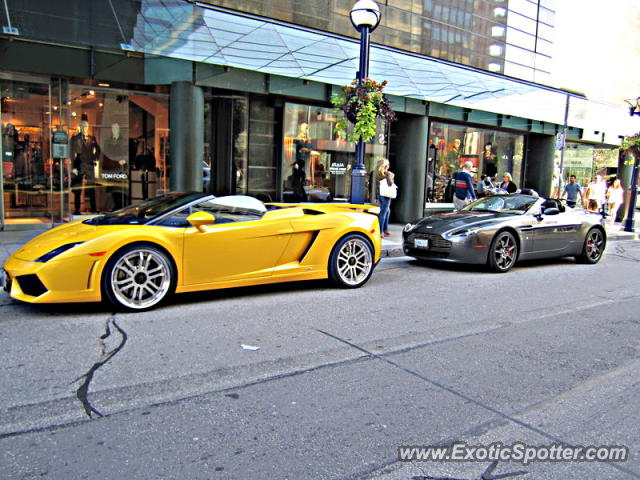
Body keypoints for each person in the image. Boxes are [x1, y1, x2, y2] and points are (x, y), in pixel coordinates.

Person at [70, 118, 100, 214]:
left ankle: (93, 208)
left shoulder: (92, 138)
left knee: (91, 188)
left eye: (86, 126)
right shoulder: (75, 138)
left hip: (90, 165)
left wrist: (94, 158)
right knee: (78, 188)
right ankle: (77, 208)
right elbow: (71, 152)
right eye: (82, 126)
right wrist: (73, 167)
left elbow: (98, 149)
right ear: (80, 127)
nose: (84, 128)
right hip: (79, 165)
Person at [376, 159, 395, 237]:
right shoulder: (387, 173)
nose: (388, 166)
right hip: (385, 195)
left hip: (379, 194)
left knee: (387, 211)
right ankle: (380, 231)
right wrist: (391, 176)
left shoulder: (376, 173)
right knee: (383, 213)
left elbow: (372, 185)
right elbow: (390, 184)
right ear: (384, 165)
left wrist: (375, 196)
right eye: (387, 164)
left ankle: (385, 229)